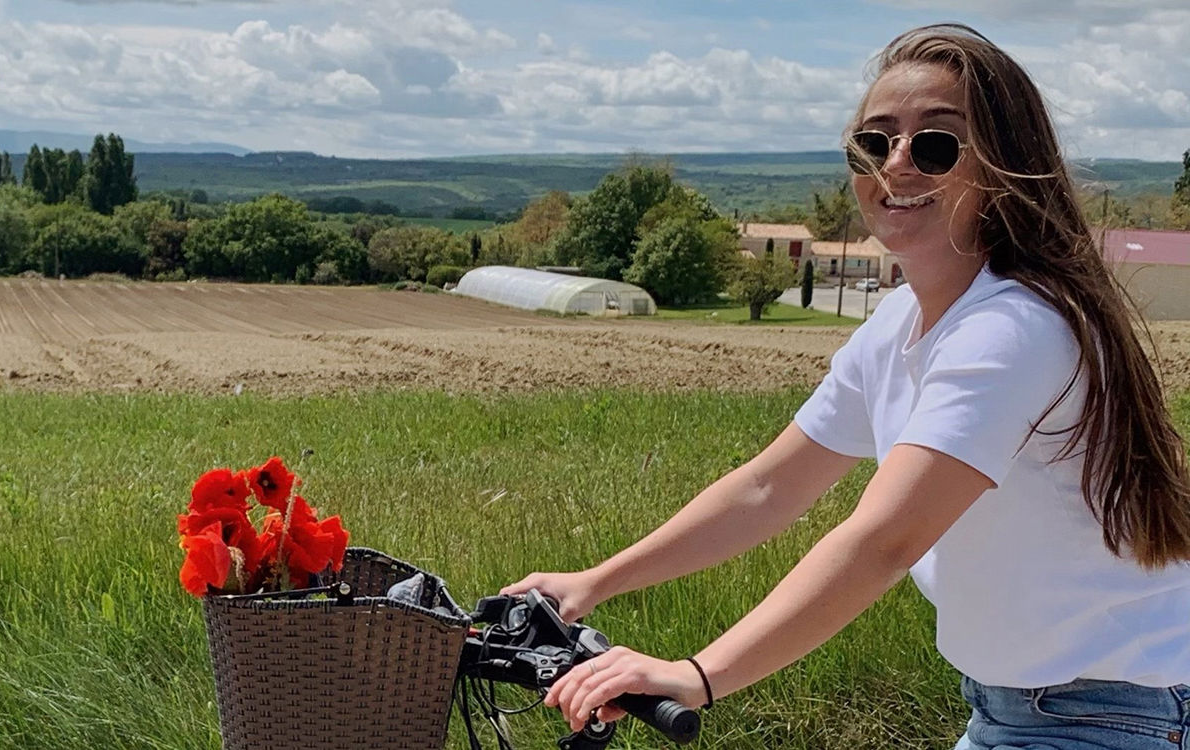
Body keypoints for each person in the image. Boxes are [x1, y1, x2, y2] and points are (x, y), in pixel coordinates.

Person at [505, 23, 1190, 748]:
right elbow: (770, 487)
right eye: (874, 142)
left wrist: (697, 676)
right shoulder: (901, 323)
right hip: (1021, 709)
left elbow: (884, 541)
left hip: (1108, 718)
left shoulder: (1011, 331)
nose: (897, 165)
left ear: (999, 166)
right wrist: (595, 581)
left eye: (936, 144)